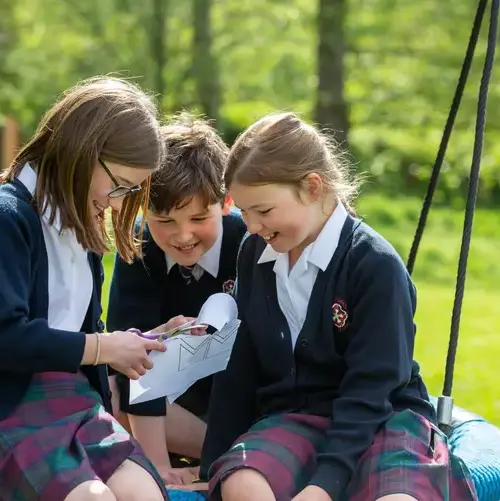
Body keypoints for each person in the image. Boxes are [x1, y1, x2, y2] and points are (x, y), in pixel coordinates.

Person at [192, 112, 478, 501]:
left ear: (312, 187)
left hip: (384, 417)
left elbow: (372, 389)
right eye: (245, 212)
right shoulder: (254, 252)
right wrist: (211, 465)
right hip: (298, 417)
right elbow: (238, 364)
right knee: (242, 483)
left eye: (264, 211)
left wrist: (325, 485)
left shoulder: (373, 265)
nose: (252, 225)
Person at [0, 76, 179, 501]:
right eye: (118, 185)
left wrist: (132, 344)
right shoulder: (9, 217)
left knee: (145, 495)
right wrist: (103, 347)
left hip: (74, 400)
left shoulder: (80, 222)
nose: (118, 203)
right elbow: (6, 337)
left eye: (129, 191)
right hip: (13, 402)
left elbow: (77, 332)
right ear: (81, 152)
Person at [106, 113, 247, 486]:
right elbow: (131, 357)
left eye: (198, 218)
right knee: (111, 392)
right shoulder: (138, 247)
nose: (183, 236)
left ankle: (224, 455)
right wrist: (158, 470)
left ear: (226, 202)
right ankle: (162, 469)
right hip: (169, 405)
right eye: (165, 221)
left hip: (238, 397)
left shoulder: (249, 242)